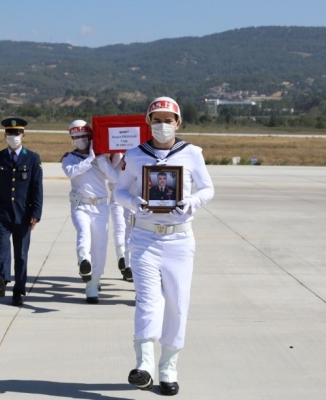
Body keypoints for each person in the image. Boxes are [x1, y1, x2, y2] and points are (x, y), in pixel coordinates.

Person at [115, 96, 215, 396]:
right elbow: (119, 191)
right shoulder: (135, 155)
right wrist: (134, 202)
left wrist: (191, 202)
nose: (162, 125)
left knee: (177, 303)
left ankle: (168, 367)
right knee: (148, 300)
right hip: (145, 237)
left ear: (178, 123)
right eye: (156, 120)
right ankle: (143, 365)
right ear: (148, 123)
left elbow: (208, 188)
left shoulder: (192, 153)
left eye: (168, 120)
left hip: (179, 240)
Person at [0, 117, 43, 307]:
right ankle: (2, 279)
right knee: (2, 247)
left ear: (23, 135)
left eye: (16, 133)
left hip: (23, 214)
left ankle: (18, 291)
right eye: (9, 133)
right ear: (5, 136)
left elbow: (37, 188)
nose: (13, 136)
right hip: (2, 213)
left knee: (21, 254)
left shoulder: (32, 158)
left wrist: (36, 214)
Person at [61, 120, 118, 304]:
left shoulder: (101, 158)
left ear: (90, 137)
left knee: (100, 245)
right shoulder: (70, 158)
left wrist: (100, 159)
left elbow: (115, 178)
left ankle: (93, 284)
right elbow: (71, 172)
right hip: (81, 205)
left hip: (100, 207)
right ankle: (83, 260)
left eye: (83, 136)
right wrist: (89, 159)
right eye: (76, 137)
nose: (80, 140)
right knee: (83, 232)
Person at [108, 153, 133, 281]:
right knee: (119, 227)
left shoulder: (136, 152)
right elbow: (112, 175)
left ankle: (128, 264)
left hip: (131, 195)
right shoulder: (117, 152)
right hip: (116, 194)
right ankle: (122, 259)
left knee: (130, 228)